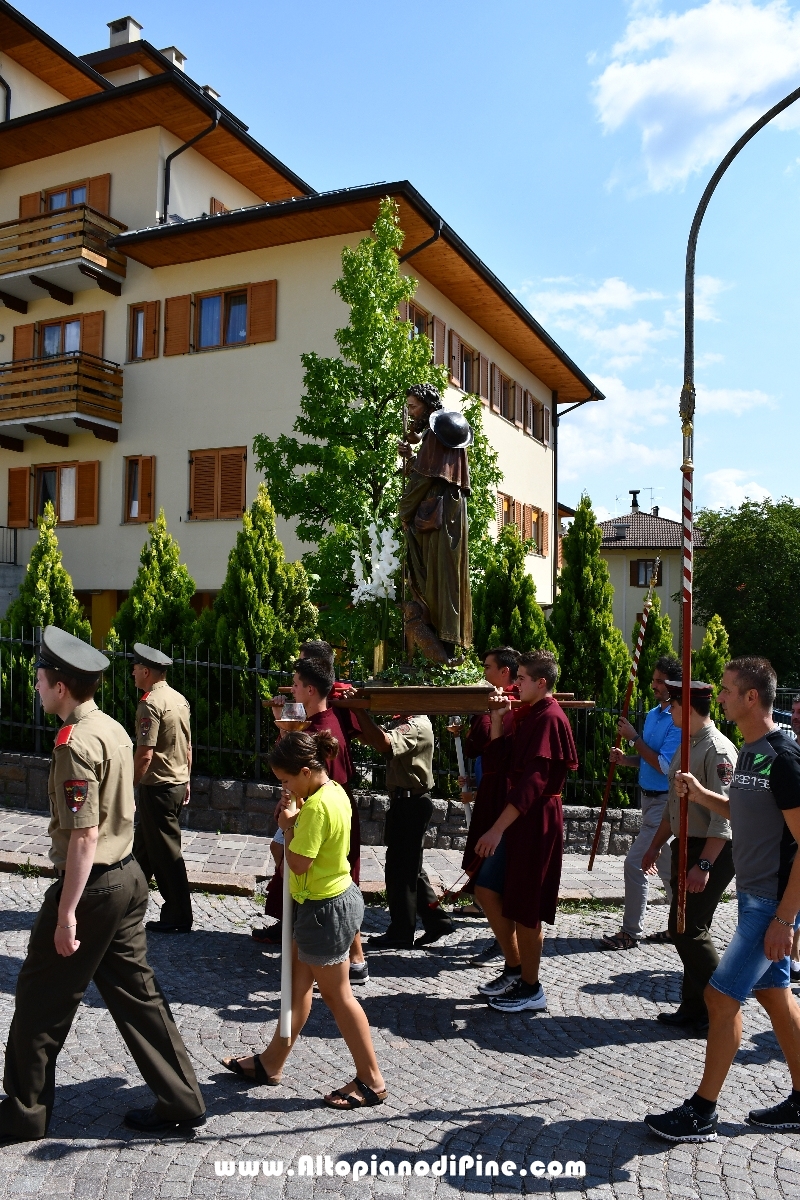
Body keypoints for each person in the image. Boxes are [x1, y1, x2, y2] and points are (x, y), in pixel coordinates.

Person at [0, 626, 205, 1141]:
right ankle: (182, 1099)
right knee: (140, 997)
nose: (37, 689)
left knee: (39, 999)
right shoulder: (112, 726)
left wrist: (66, 914)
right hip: (129, 879)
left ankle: (23, 1114)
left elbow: (84, 836)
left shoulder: (74, 743)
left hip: (91, 888)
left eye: (41, 681)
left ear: (61, 686)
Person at [645, 657, 800, 1143]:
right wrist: (700, 793)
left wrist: (786, 919)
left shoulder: (783, 756)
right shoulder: (753, 752)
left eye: (730, 690)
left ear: (752, 697)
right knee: (775, 996)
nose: (722, 698)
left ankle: (703, 1111)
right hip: (754, 897)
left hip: (771, 903)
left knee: (718, 995)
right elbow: (744, 811)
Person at [221, 729, 386, 1110]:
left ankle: (372, 1080)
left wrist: (291, 823)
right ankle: (270, 1063)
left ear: (308, 770)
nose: (284, 786)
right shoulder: (333, 792)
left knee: (338, 996)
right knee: (295, 988)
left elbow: (294, 863)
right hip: (329, 901)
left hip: (323, 910)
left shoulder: (314, 808)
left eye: (286, 779)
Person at [472, 650, 578, 1013]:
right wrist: (498, 719)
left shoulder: (550, 718)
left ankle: (532, 987)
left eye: (521, 678)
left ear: (541, 682)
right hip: (518, 818)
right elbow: (499, 764)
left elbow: (534, 783)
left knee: (525, 906)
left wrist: (496, 829)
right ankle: (515, 968)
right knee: (487, 889)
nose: (515, 684)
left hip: (535, 820)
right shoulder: (528, 714)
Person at [263, 656, 368, 984]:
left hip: (318, 832)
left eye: (295, 684)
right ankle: (313, 956)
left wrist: (292, 823)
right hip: (307, 821)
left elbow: (300, 863)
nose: (290, 689)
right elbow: (292, 765)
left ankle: (354, 959)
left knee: (330, 879)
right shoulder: (312, 722)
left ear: (310, 689)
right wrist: (282, 724)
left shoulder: (325, 726)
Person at [640, 680, 736, 1034]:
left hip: (713, 851)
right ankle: (694, 1009)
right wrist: (654, 846)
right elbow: (673, 806)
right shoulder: (686, 745)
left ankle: (722, 1009)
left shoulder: (717, 750)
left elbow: (726, 817)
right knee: (684, 928)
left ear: (689, 707)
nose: (670, 712)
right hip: (688, 845)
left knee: (689, 929)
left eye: (674, 706)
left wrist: (704, 865)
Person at [601, 655, 683, 950]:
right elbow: (648, 759)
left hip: (665, 804)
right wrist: (625, 760)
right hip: (648, 800)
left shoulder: (678, 722)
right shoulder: (652, 714)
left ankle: (630, 932)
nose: (654, 685)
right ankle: (680, 927)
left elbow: (663, 765)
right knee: (666, 868)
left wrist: (633, 738)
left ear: (674, 685)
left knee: (635, 864)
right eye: (654, 679)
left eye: (660, 681)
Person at [357, 710, 455, 949]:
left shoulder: (415, 724)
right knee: (409, 868)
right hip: (404, 802)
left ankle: (401, 931)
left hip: (411, 803)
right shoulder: (402, 721)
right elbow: (370, 737)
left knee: (400, 871)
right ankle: (437, 920)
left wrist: (358, 711)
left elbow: (384, 745)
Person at [398, 383, 472, 655]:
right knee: (446, 576)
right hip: (449, 512)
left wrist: (404, 512)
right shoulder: (446, 435)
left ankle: (442, 642)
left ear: (428, 407)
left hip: (438, 517)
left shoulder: (438, 433)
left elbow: (422, 479)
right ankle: (448, 640)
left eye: (413, 406)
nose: (410, 411)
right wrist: (412, 459)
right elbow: (429, 471)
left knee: (436, 575)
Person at [131, 643, 193, 934]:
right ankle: (125, 906)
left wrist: (125, 787)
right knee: (142, 851)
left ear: (146, 671)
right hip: (176, 783)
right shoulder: (179, 699)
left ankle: (179, 915)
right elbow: (187, 746)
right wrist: (188, 778)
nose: (132, 672)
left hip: (157, 786)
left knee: (167, 855)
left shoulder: (151, 703)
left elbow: (145, 753)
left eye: (135, 668)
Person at [460, 647, 520, 949]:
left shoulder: (516, 708)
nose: (483, 672)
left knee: (493, 885)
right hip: (494, 796)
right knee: (486, 886)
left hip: (507, 806)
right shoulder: (501, 706)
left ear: (504, 672)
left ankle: (512, 953)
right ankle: (508, 950)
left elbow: (492, 750)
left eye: (487, 667)